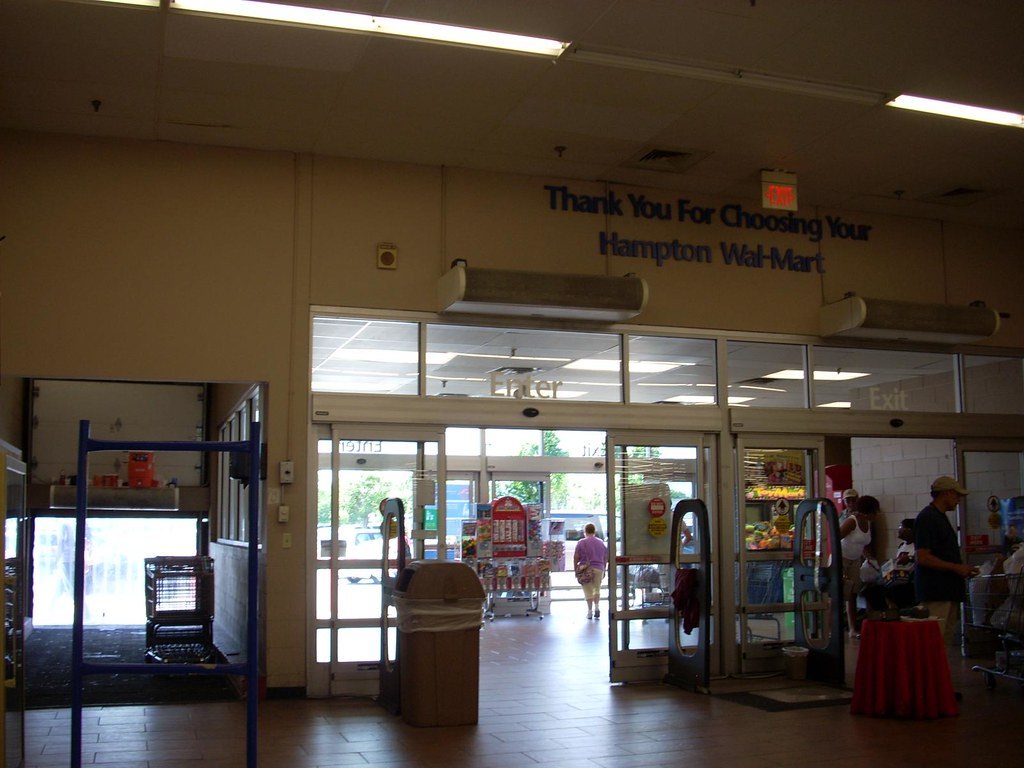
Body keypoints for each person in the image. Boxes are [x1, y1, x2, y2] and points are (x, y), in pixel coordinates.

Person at [915, 476, 978, 646]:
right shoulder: (928, 518)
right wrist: (956, 568)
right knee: (934, 641)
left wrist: (960, 568)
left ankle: (938, 672)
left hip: (947, 589)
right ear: (946, 493)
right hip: (936, 591)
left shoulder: (939, 517)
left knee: (944, 640)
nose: (958, 500)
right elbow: (923, 557)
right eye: (956, 495)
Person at [839, 494, 879, 637]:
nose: (877, 514)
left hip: (855, 559)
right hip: (842, 559)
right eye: (876, 511)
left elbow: (862, 544)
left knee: (853, 593)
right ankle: (831, 627)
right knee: (839, 593)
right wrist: (837, 566)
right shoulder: (852, 521)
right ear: (870, 511)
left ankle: (852, 629)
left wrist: (869, 559)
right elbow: (836, 537)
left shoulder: (868, 523)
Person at [573, 522, 608, 620]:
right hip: (599, 568)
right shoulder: (601, 542)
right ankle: (597, 607)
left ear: (585, 531)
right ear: (594, 531)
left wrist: (576, 569)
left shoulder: (581, 542)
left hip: (586, 570)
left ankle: (589, 612)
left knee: (588, 591)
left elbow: (576, 557)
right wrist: (604, 568)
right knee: (597, 589)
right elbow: (605, 557)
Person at [884, 518, 917, 609]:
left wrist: (909, 559)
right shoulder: (902, 546)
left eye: (901, 527)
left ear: (910, 530)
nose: (899, 530)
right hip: (898, 578)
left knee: (893, 592)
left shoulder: (917, 546)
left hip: (910, 581)